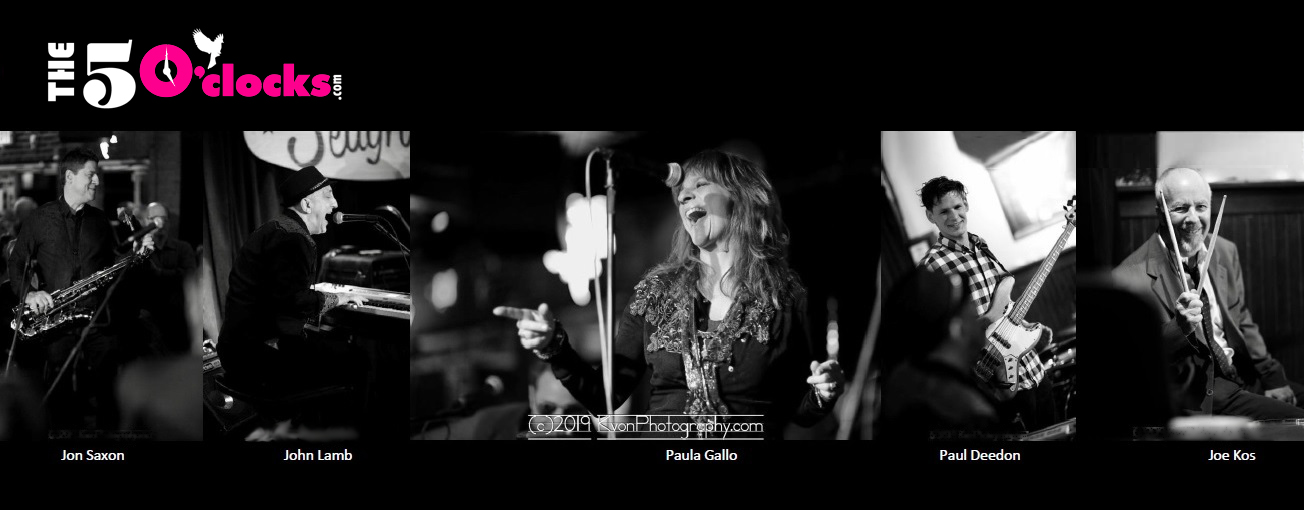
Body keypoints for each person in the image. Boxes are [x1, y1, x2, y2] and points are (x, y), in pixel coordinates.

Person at [494, 150, 843, 439]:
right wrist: (554, 345)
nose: (685, 195)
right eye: (682, 193)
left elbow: (799, 409)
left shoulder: (784, 297)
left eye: (701, 185)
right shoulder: (656, 294)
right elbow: (604, 397)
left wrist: (823, 392)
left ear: (742, 197)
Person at [1112, 167, 1304, 420]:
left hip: (1243, 375)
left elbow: (1241, 318)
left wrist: (1272, 376)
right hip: (1204, 396)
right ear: (1160, 214)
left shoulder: (1224, 250)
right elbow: (1138, 364)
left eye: (1201, 207)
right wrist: (1179, 328)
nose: (1193, 218)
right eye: (1181, 208)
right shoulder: (1126, 278)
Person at [8, 148, 155, 432]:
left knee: (108, 392)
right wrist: (30, 294)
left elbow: (116, 267)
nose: (97, 181)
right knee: (60, 394)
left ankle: (108, 440)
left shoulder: (100, 221)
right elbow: (16, 264)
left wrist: (138, 256)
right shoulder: (40, 218)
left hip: (97, 320)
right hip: (55, 320)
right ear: (69, 177)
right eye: (91, 175)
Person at [216, 166, 369, 420]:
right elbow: (294, 301)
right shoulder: (292, 238)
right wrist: (338, 298)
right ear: (307, 205)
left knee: (327, 348)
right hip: (256, 358)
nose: (335, 204)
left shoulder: (275, 229)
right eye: (328, 196)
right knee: (357, 359)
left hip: (238, 350)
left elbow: (280, 296)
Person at [915, 176, 1058, 430]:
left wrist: (1028, 328)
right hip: (997, 386)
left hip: (1033, 370)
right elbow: (934, 336)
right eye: (944, 211)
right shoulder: (930, 267)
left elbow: (1004, 307)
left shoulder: (981, 246)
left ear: (966, 205)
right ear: (930, 216)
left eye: (958, 207)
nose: (954, 216)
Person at [876, 267, 999, 440]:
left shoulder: (899, 381)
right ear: (957, 329)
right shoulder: (970, 413)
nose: (981, 320)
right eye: (971, 307)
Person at [139, 202, 196, 354]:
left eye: (164, 218)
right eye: (154, 218)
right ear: (145, 222)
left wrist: (158, 273)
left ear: (169, 222)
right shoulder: (139, 249)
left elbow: (189, 276)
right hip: (148, 322)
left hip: (177, 319)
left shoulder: (183, 248)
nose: (160, 223)